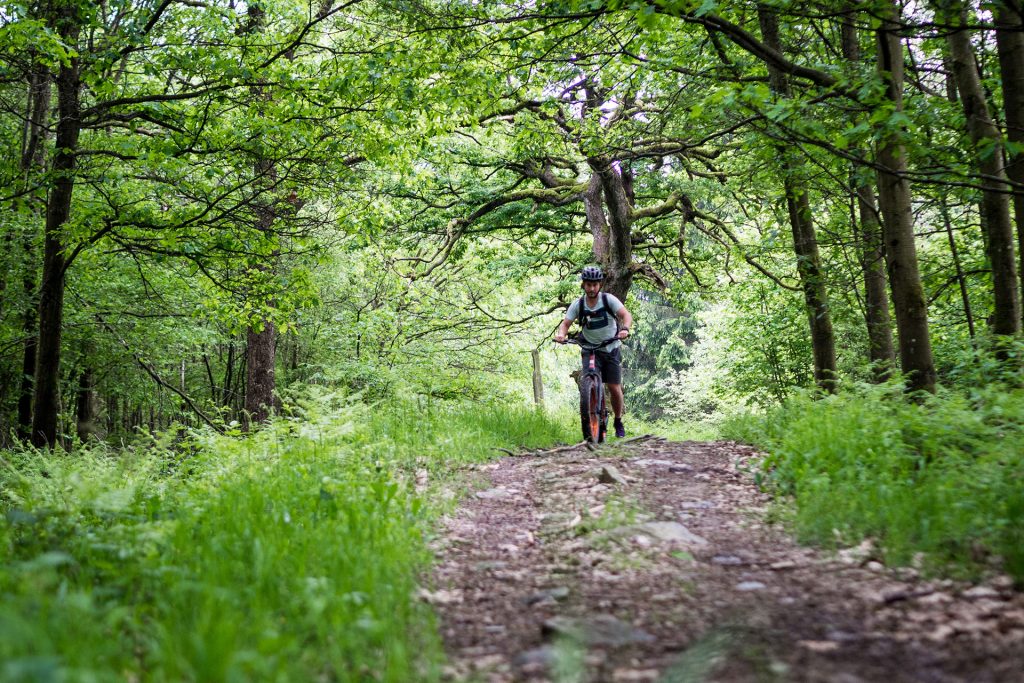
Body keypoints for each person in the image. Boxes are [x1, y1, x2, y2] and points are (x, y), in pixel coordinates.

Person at [554, 265, 634, 438]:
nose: (591, 288)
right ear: (583, 284)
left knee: (613, 387)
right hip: (590, 349)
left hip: (610, 348)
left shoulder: (608, 300)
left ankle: (618, 420)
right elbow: (565, 324)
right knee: (589, 378)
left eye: (594, 285)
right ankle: (592, 416)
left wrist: (625, 329)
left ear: (600, 285)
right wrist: (561, 335)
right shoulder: (578, 304)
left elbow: (626, 315)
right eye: (588, 285)